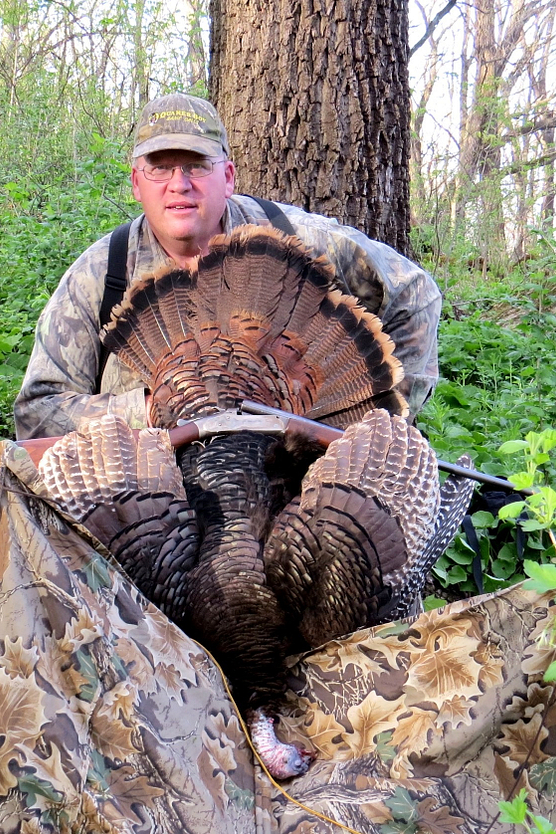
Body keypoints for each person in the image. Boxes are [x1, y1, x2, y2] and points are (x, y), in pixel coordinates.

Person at [14, 93, 442, 440]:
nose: (179, 184)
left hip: (293, 473)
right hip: (148, 493)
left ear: (229, 176)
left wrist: (381, 417)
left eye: (197, 165)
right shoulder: (102, 273)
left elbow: (416, 294)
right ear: (135, 183)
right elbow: (37, 413)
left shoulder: (293, 236)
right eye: (160, 167)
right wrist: (148, 408)